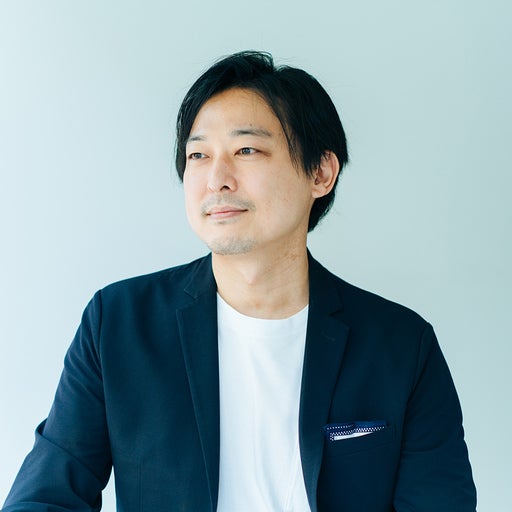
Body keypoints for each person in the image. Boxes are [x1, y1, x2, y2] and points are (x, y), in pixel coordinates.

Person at [2, 51, 476, 511]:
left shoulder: (401, 344)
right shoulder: (119, 324)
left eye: (246, 150)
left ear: (320, 172)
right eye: (198, 155)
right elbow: (44, 495)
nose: (216, 180)